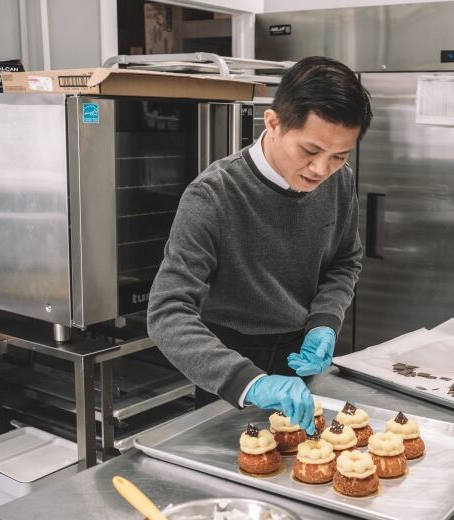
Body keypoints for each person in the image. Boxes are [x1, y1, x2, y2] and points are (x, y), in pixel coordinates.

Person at [147, 56, 372, 434]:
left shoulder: (339, 180)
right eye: (311, 151)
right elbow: (167, 312)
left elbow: (345, 260)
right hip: (228, 361)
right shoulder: (212, 195)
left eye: (338, 156)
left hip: (301, 353)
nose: (321, 170)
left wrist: (325, 322)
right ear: (273, 122)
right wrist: (248, 382)